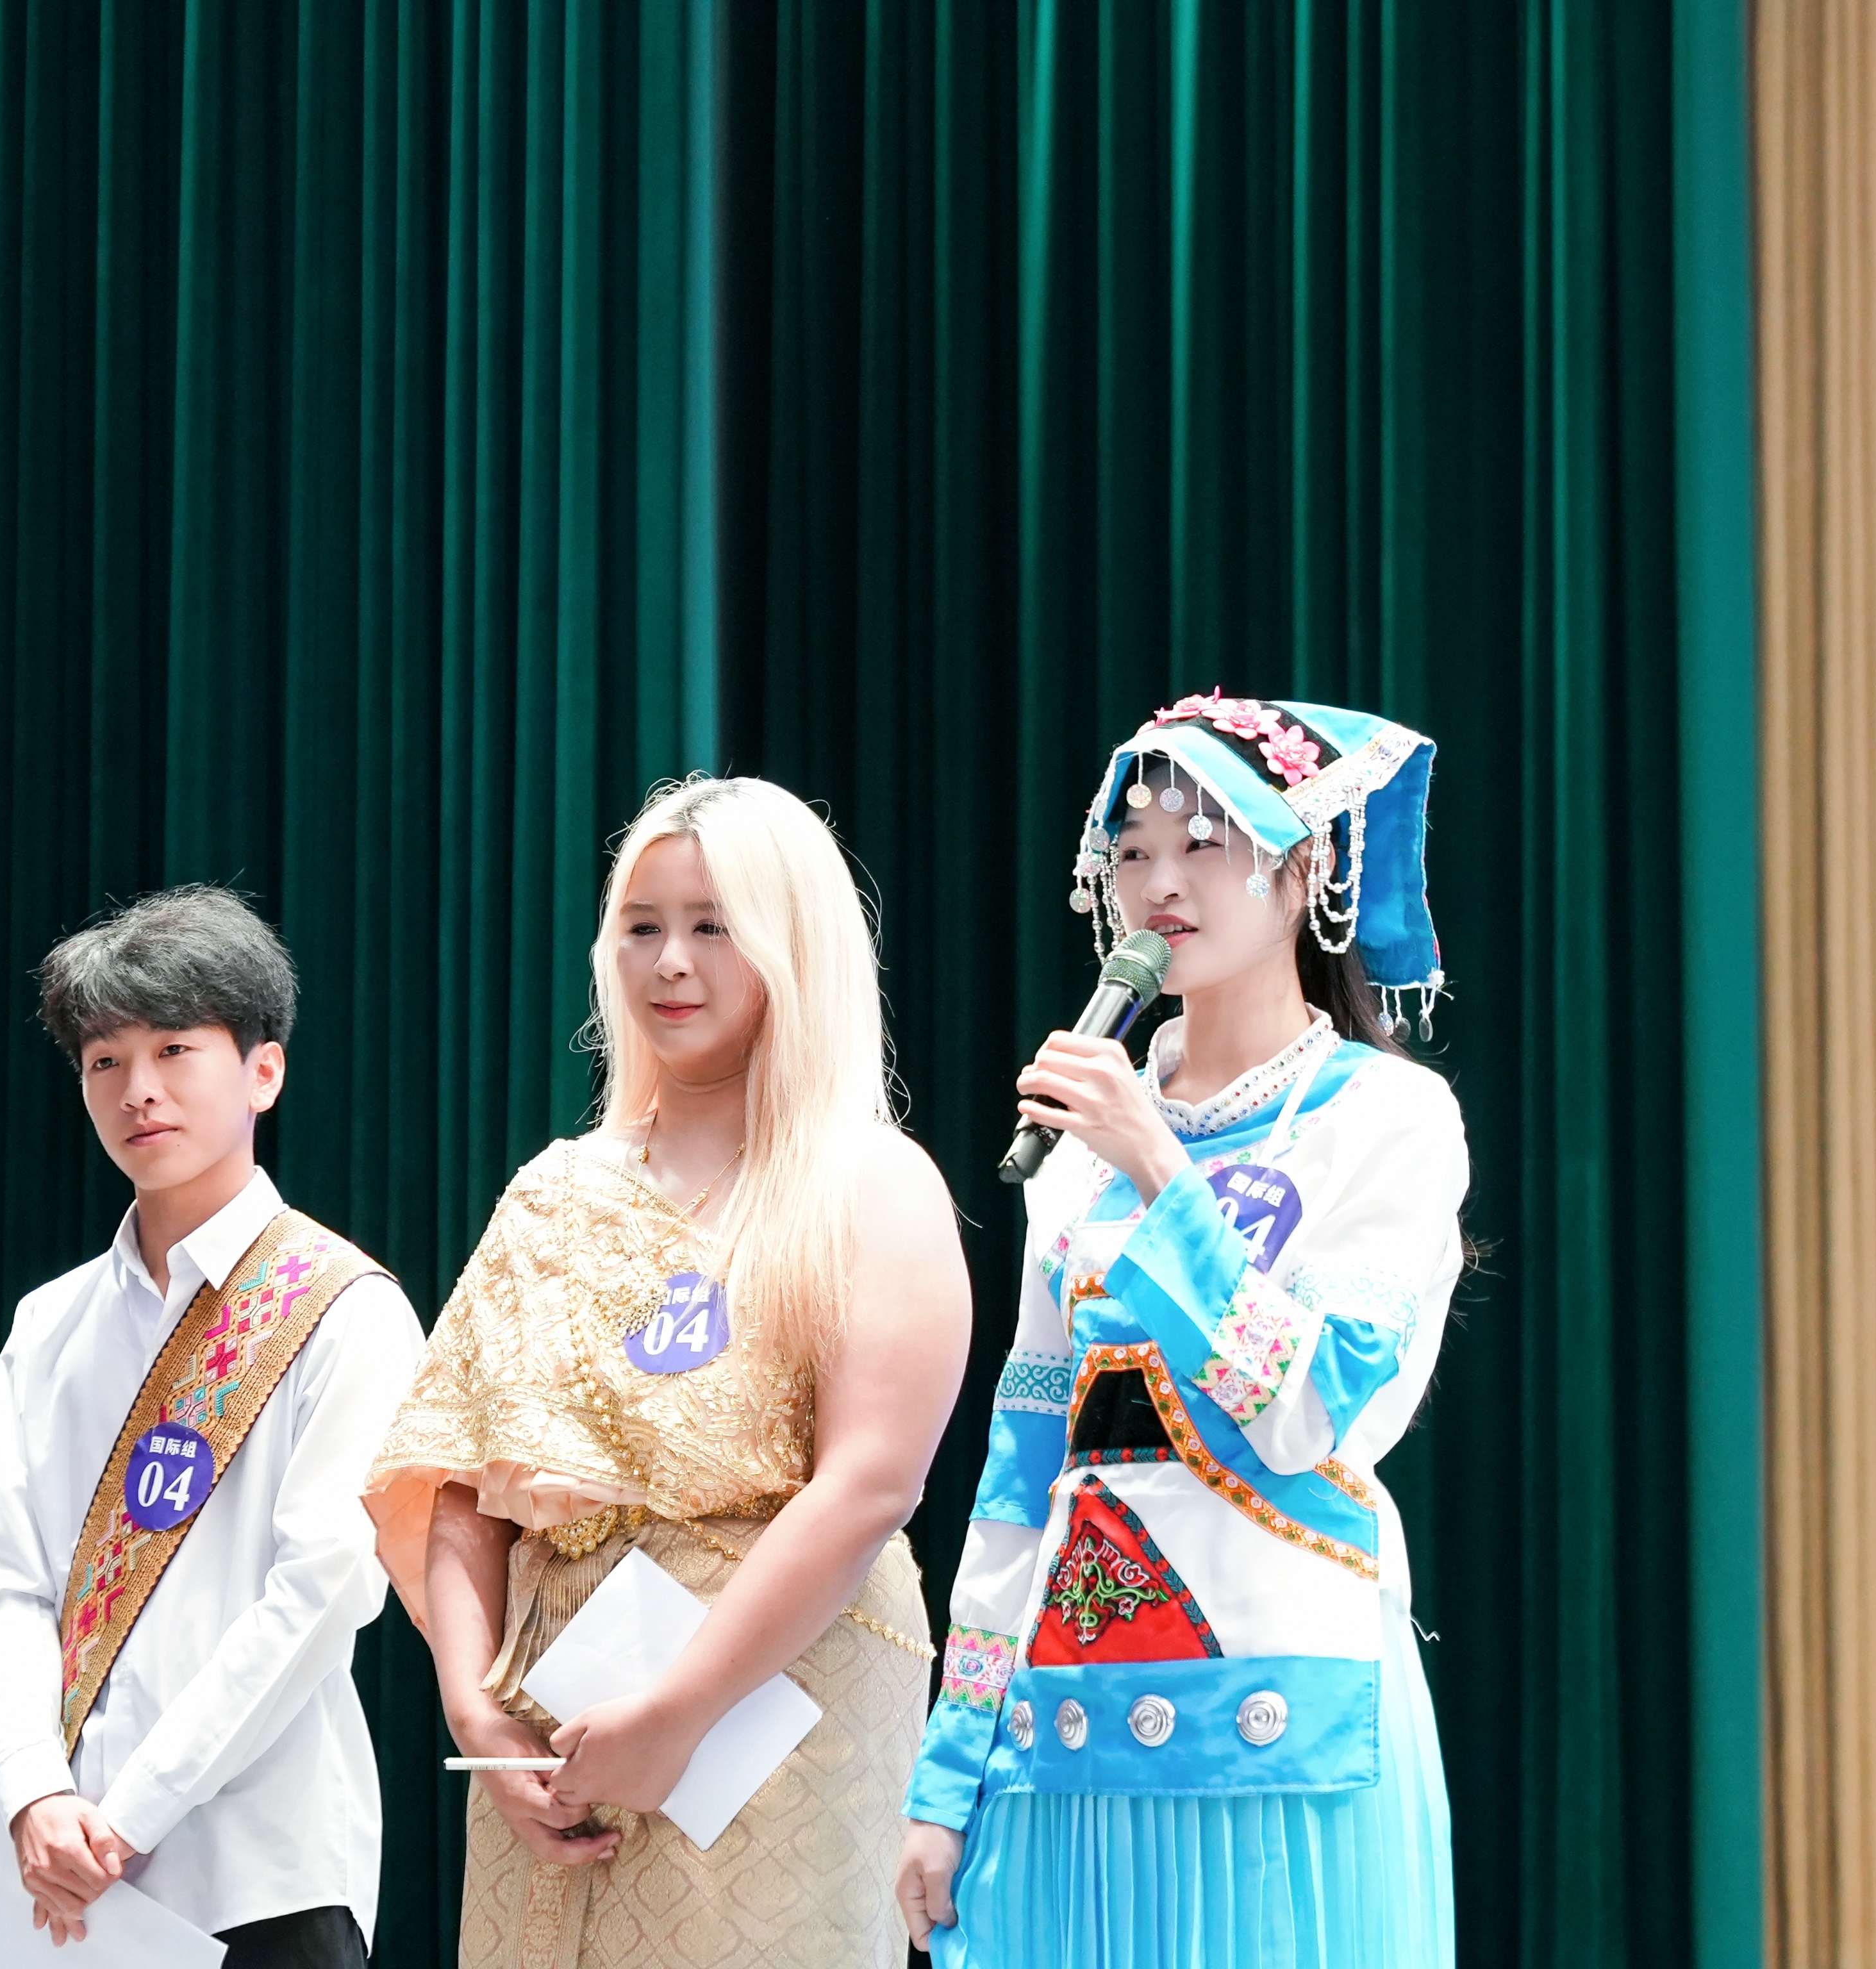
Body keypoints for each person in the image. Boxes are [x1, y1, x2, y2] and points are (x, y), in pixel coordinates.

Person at [895, 694, 1465, 1969]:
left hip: (1284, 1704)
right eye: (1134, 850)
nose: (1161, 883)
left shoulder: (1384, 1118)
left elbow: (1311, 1413)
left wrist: (1160, 1168)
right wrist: (948, 1773)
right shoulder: (1077, 1153)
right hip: (1065, 1716)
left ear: (1306, 867)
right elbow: (1022, 1468)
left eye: (1206, 844)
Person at [365, 776, 972, 1969]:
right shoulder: (557, 1188)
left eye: (714, 926)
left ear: (795, 944)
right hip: (555, 1715)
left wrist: (682, 1706)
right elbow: (458, 1478)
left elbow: (869, 1485)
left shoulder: (870, 1181)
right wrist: (475, 1711)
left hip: (783, 1702)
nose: (671, 962)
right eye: (643, 927)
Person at [0, 885, 427, 1968]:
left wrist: (130, 1814)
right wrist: (32, 1788)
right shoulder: (50, 1326)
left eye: (176, 1049)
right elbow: (7, 1584)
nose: (139, 1089)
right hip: (61, 1883)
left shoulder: (343, 1308)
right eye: (105, 1060)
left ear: (264, 1071)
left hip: (260, 1871)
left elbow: (322, 1595)